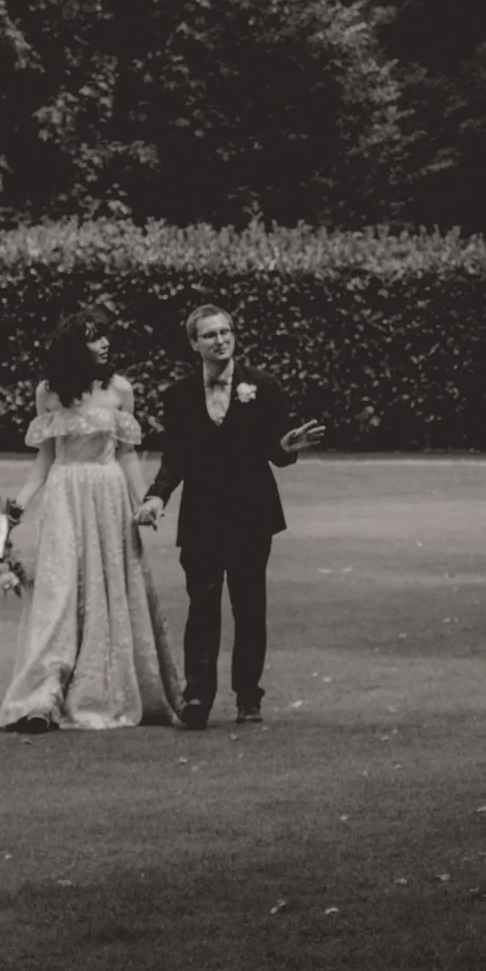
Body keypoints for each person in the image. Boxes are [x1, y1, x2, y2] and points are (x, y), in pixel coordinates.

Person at [137, 300, 323, 728]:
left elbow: (277, 451)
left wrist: (287, 448)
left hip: (251, 513)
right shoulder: (179, 395)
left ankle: (248, 698)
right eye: (210, 335)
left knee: (249, 606)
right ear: (194, 343)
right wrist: (157, 497)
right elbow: (176, 456)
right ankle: (197, 698)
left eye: (225, 332)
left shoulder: (264, 386)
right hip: (201, 514)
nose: (220, 340)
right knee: (202, 604)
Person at [0, 311, 182, 732]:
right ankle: (43, 695)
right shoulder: (48, 392)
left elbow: (127, 454)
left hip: (109, 497)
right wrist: (15, 510)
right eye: (95, 338)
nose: (105, 344)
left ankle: (105, 689)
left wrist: (146, 502)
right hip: (64, 497)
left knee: (111, 589)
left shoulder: (119, 389)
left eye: (104, 337)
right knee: (58, 593)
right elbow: (44, 458)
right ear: (73, 346)